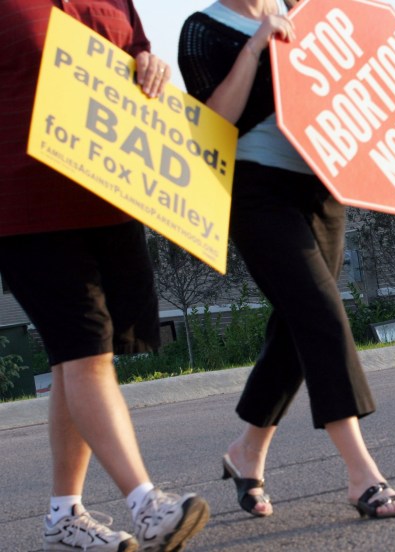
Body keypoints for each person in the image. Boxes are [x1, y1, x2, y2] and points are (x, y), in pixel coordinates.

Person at [178, 0, 395, 520]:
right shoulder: (202, 30)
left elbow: (372, 93)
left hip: (324, 185)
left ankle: (246, 453)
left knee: (296, 329)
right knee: (321, 316)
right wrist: (256, 47)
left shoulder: (312, 13)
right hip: (255, 191)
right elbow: (213, 122)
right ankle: (362, 475)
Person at [0, 2, 210, 551]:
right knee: (87, 351)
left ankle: (63, 515)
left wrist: (149, 63)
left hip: (110, 196)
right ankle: (146, 504)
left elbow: (135, 54)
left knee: (79, 358)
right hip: (26, 205)